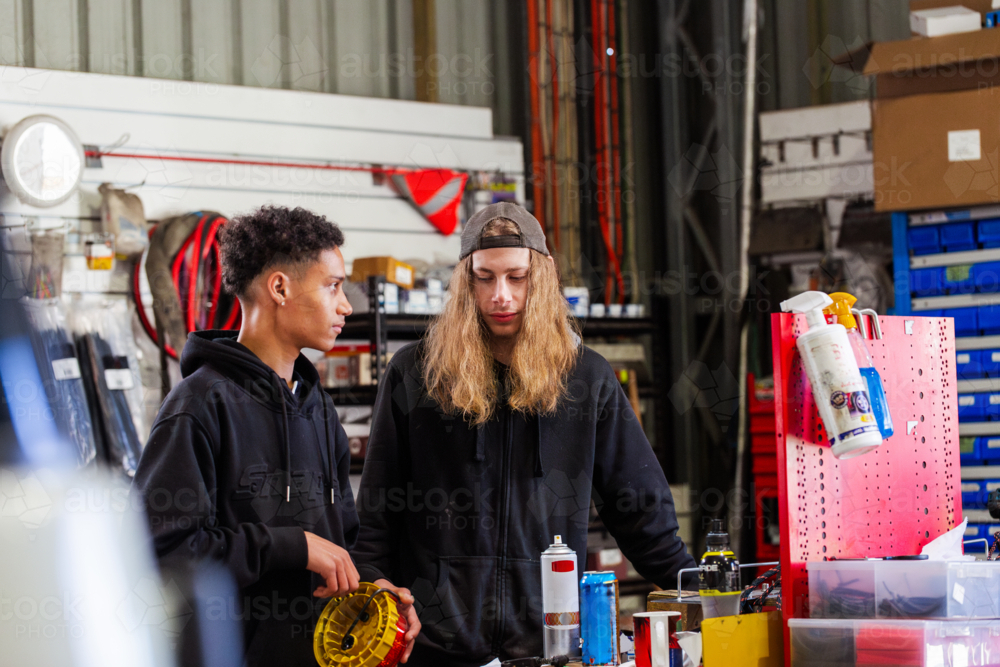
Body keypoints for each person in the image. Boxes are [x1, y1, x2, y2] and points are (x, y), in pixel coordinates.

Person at [353, 202, 696, 667]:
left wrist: (701, 593)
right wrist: (373, 590)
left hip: (549, 648)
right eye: (485, 277)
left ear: (544, 275)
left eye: (517, 277)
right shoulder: (415, 374)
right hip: (435, 646)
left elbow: (639, 511)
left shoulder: (586, 378)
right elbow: (378, 512)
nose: (501, 295)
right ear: (463, 280)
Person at [132, 205, 420, 667]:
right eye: (333, 286)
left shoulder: (318, 409)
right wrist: (291, 545)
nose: (346, 305)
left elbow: (340, 542)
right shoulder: (199, 406)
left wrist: (373, 586)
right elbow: (161, 553)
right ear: (280, 288)